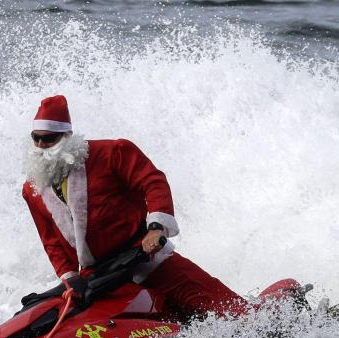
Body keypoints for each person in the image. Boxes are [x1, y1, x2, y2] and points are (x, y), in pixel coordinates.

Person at [22, 95, 250, 319]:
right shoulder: (33, 190)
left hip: (145, 257)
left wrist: (156, 228)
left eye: (49, 138)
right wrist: (70, 278)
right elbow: (51, 241)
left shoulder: (112, 153)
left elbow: (153, 182)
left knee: (226, 310)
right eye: (36, 138)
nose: (41, 145)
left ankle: (251, 318)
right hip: (99, 279)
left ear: (66, 136)